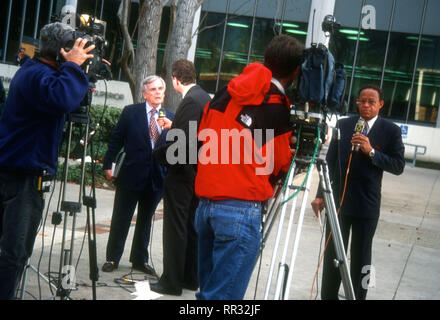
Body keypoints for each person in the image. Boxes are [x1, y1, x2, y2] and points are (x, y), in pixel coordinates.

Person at [193, 34, 304, 300]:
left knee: (209, 294)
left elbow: (201, 139)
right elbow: (279, 163)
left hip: (205, 207)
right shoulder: (277, 108)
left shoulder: (225, 92)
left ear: (265, 59)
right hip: (240, 210)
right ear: (296, 71)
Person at [0, 22, 94, 300]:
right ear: (63, 51)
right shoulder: (38, 75)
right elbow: (63, 97)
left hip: (18, 170)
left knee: (12, 252)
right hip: (22, 176)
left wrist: (80, 70)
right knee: (14, 253)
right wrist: (74, 67)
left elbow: (72, 100)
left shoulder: (36, 72)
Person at [311, 84, 405, 300]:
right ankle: (328, 296)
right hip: (339, 202)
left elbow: (398, 166)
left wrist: (371, 151)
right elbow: (330, 162)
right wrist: (320, 195)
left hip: (367, 205)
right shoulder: (343, 125)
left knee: (363, 258)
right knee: (333, 254)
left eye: (371, 102)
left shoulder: (390, 131)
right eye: (362, 100)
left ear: (381, 104)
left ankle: (359, 296)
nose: (366, 105)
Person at [101, 75, 173, 276]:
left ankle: (140, 260)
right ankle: (112, 257)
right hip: (130, 176)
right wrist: (108, 164)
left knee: (145, 221)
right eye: (153, 89)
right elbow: (116, 140)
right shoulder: (130, 113)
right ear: (144, 93)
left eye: (160, 89)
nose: (158, 92)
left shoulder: (171, 118)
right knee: (121, 218)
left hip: (156, 178)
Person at [151, 59, 211, 296]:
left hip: (182, 175)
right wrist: (174, 125)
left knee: (175, 228)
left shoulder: (189, 101)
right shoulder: (204, 98)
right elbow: (195, 136)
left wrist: (158, 154)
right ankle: (188, 277)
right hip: (196, 173)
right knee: (190, 228)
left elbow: (181, 148)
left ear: (175, 79)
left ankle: (170, 282)